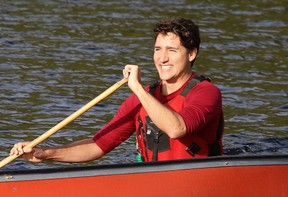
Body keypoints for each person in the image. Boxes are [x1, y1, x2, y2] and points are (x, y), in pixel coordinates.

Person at [10, 18, 224, 163]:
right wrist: (45, 153)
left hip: (197, 179)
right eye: (158, 49)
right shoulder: (143, 96)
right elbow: (98, 145)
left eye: (172, 50)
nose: (162, 58)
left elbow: (177, 129)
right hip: (152, 184)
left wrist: (139, 90)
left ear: (192, 54)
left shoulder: (206, 93)